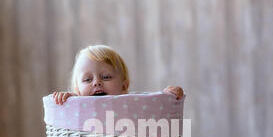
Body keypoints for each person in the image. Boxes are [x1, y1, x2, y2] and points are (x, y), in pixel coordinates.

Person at [52, 45, 184, 104]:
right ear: (77, 90)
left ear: (124, 86)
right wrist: (68, 99)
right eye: (87, 79)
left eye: (106, 77)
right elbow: (71, 103)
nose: (97, 82)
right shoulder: (77, 104)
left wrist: (166, 96)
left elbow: (153, 107)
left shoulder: (131, 103)